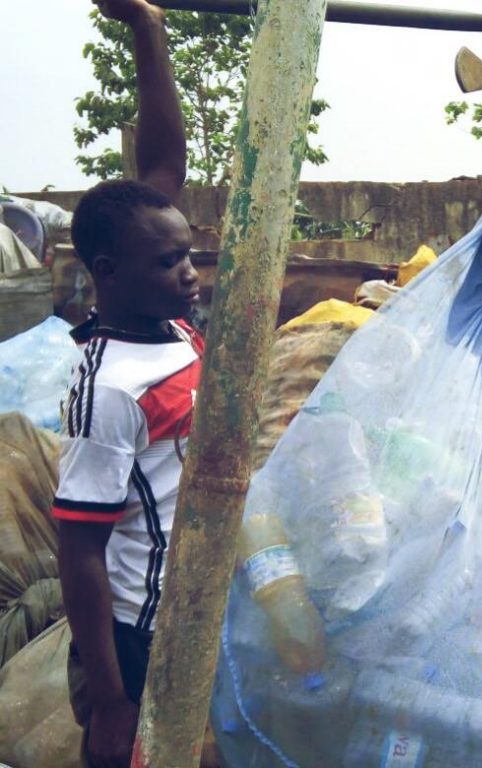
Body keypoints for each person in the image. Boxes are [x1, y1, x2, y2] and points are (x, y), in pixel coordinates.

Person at [52, 0, 199, 766]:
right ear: (107, 275)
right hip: (138, 629)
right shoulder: (109, 390)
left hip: (193, 596)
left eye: (189, 254)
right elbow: (78, 554)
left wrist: (148, 28)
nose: (189, 273)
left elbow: (165, 165)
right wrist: (110, 698)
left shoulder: (167, 324)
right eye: (169, 263)